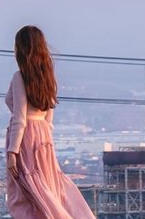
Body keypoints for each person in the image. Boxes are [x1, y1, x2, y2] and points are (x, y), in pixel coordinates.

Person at [5, 25, 95, 218]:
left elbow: (20, 118)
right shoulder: (48, 76)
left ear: (21, 48)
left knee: (28, 191)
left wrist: (12, 151)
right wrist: (46, 138)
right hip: (44, 136)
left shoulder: (20, 75)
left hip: (26, 137)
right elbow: (49, 117)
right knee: (47, 187)